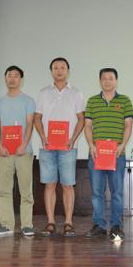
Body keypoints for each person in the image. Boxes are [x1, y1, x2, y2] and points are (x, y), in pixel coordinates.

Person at [34, 57, 85, 238]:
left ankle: (68, 222)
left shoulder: (76, 93)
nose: (59, 70)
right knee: (49, 184)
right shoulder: (43, 93)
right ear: (51, 71)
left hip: (68, 147)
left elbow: (81, 119)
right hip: (47, 147)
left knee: (67, 185)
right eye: (55, 68)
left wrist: (73, 138)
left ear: (67, 71)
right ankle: (50, 222)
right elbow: (37, 118)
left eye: (62, 67)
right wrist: (43, 137)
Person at [84, 68, 133, 240]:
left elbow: (128, 125)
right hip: (96, 154)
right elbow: (88, 126)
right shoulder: (92, 101)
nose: (107, 81)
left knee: (117, 192)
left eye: (110, 78)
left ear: (116, 81)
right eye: (104, 78)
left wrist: (122, 145)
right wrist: (91, 145)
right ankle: (98, 225)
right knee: (97, 192)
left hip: (117, 154)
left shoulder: (125, 101)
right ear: (100, 81)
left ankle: (116, 226)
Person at [0, 65, 36, 237]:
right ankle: (7, 225)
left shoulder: (28, 101)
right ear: (5, 78)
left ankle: (27, 225)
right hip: (4, 152)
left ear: (21, 79)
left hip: (23, 152)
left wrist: (24, 144)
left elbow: (30, 124)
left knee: (26, 190)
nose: (12, 79)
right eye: (9, 75)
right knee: (4, 190)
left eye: (16, 76)